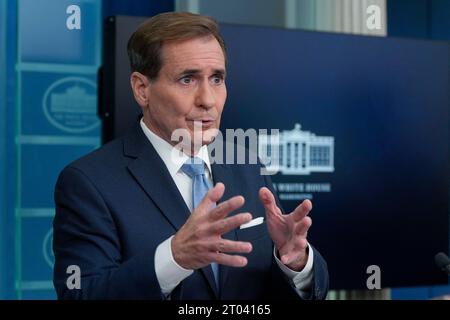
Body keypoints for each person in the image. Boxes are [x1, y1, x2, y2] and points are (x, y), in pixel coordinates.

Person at [53, 11, 329, 300]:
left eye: (217, 79)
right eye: (187, 79)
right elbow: (81, 294)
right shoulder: (88, 182)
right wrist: (173, 259)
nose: (208, 100)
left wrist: (294, 261)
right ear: (142, 89)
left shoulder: (248, 165)